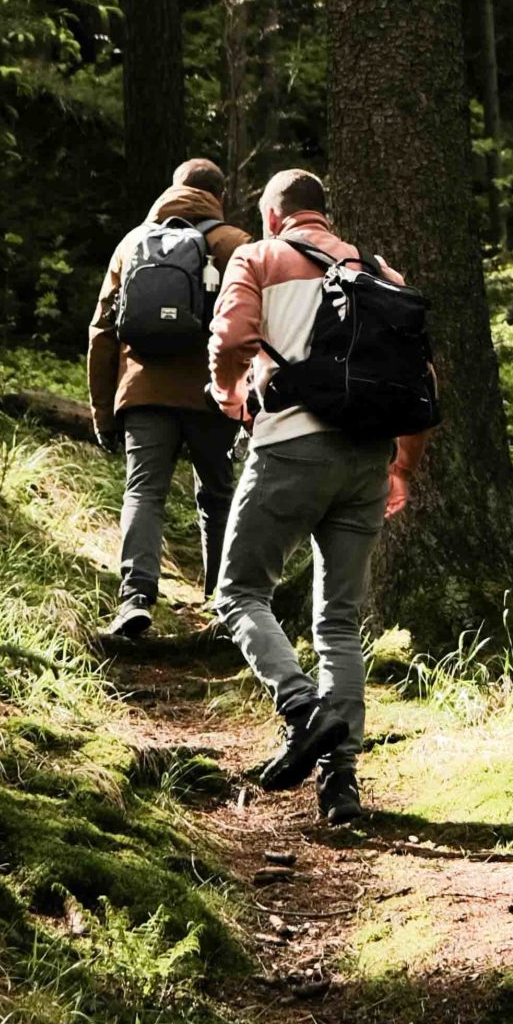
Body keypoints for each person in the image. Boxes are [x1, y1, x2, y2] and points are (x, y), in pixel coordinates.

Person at [207, 169, 428, 826]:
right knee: (338, 620)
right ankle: (342, 788)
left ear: (273, 216)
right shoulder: (378, 271)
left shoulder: (258, 255)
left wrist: (231, 395)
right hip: (366, 457)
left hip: (289, 449)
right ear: (324, 216)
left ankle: (304, 709)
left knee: (238, 590)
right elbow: (418, 372)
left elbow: (229, 338)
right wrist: (403, 466)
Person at [86, 159, 253, 641]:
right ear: (219, 195)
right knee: (218, 494)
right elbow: (252, 325)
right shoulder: (235, 244)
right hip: (214, 395)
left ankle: (136, 597)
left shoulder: (132, 243)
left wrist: (103, 410)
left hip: (143, 392)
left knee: (144, 492)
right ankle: (224, 603)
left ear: (174, 188)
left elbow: (101, 331)